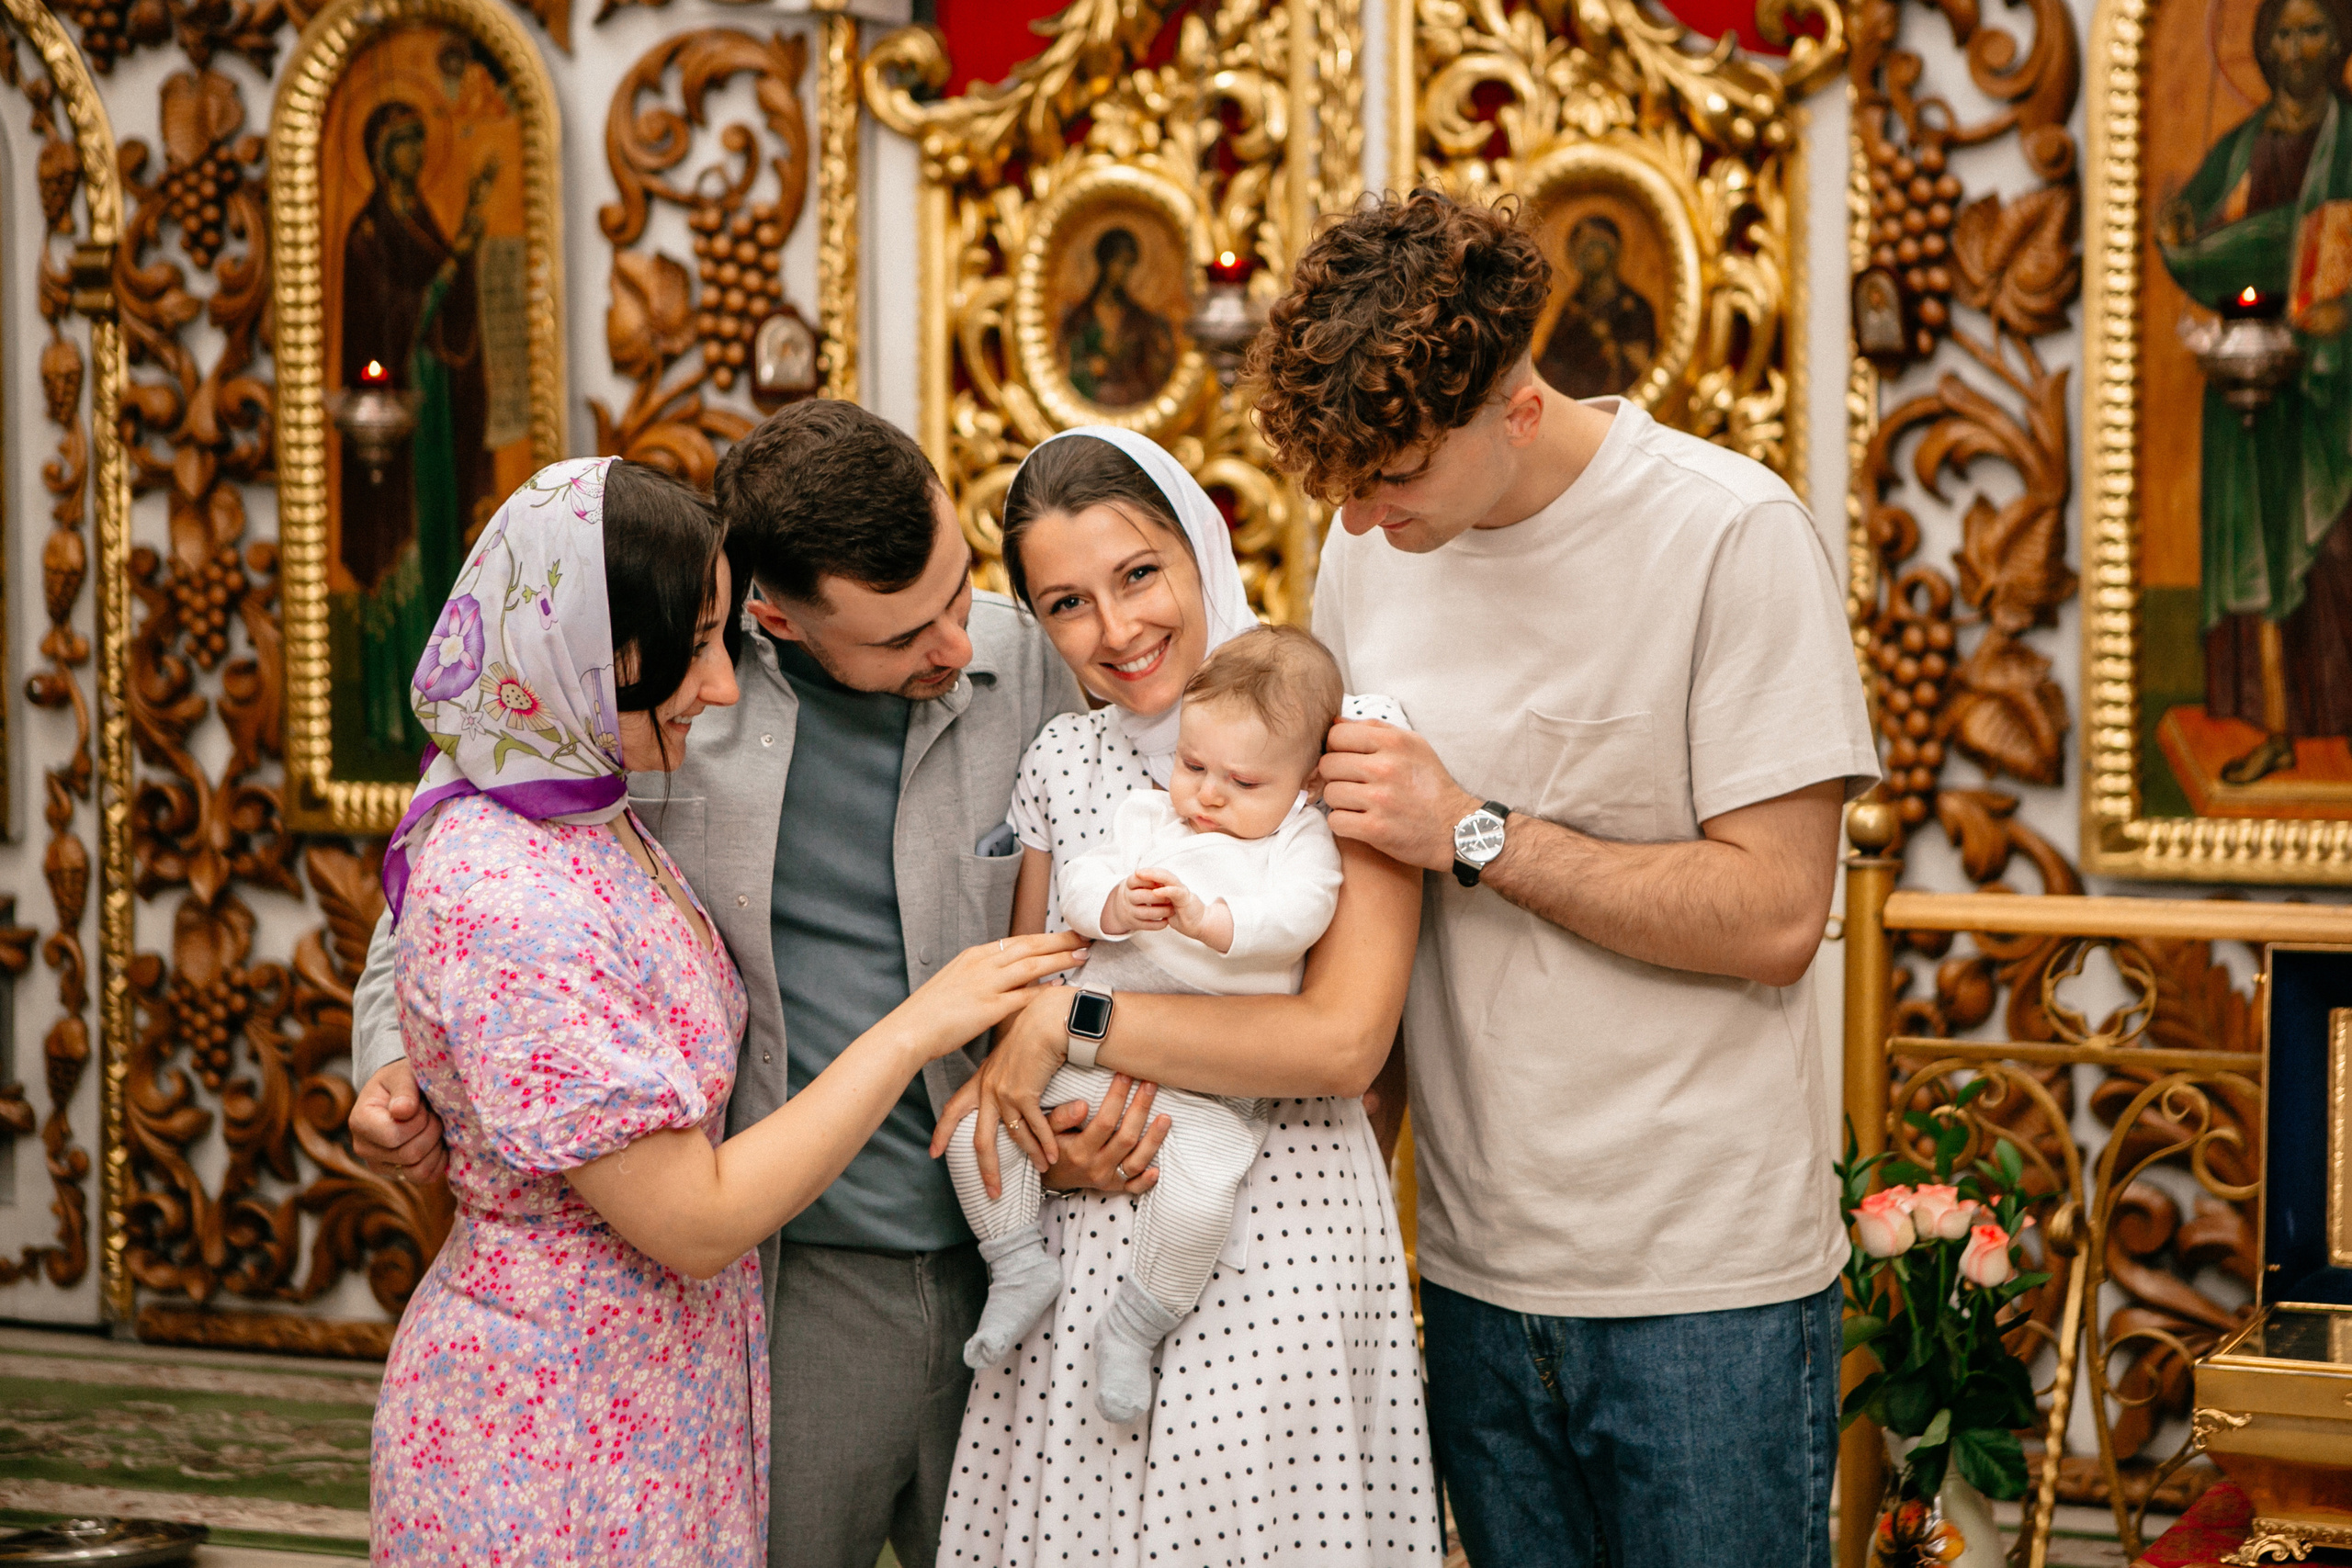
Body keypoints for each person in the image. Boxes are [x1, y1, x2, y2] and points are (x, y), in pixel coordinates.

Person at [348, 401, 1156, 1568]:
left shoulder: (1033, 660)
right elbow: (440, 886)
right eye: (900, 636)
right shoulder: (656, 696)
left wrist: (1084, 1100)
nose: (953, 645)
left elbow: (1152, 878)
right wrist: (392, 1063)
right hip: (781, 1292)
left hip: (1026, 1253)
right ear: (771, 614)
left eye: (956, 590)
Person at [1246, 188, 1878, 1567]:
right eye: (1341, 481)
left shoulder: (1729, 533)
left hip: (1705, 1285)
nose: (1359, 512)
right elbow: (1377, 905)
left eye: (1395, 471)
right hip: (1472, 1267)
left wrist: (1476, 829)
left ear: (1516, 408)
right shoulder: (1370, 550)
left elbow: (1777, 914)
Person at [931, 424, 1442, 1564]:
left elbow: (1340, 1043)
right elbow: (1029, 991)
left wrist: (1081, 1026)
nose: (1114, 631)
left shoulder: (1343, 738)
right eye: (1064, 604)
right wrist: (1052, 1137)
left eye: (1137, 575)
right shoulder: (1063, 759)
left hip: (1282, 1224)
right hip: (1087, 1228)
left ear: (1199, 542)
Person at [945, 625, 1347, 1423]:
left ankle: (1136, 1326)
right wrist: (1116, 904)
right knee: (977, 1131)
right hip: (1088, 1065)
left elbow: (1307, 912)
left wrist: (1215, 920)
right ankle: (1017, 1260)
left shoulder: (1301, 841)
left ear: (1301, 787)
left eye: (1243, 781)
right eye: (1193, 766)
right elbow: (1081, 880)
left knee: (1198, 1202)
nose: (1208, 794)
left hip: (1208, 1078)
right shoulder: (1149, 817)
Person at [2156, 0, 2352, 782]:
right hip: (2260, 384)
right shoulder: (2241, 146)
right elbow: (2194, 230)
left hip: (2339, 395)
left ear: (2340, 41)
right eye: (2281, 33)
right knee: (2269, 551)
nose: (2296, 48)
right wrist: (2182, 238)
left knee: (2336, 553)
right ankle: (2279, 726)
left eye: (2314, 30)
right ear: (2260, 48)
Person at [340, 100, 497, 761]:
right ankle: (392, 719)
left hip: (437, 412)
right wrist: (457, 255)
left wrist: (461, 247)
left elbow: (452, 306)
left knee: (439, 551)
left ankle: (441, 715)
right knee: (402, 551)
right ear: (379, 153)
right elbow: (388, 316)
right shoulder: (368, 233)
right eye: (401, 141)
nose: (413, 153)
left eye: (416, 140)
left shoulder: (418, 220)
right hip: (398, 426)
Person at [1534, 214, 1657, 400]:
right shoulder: (1573, 308)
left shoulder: (1634, 308)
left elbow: (1642, 365)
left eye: (1592, 248)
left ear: (1610, 252)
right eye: (1579, 250)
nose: (1585, 256)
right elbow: (1552, 362)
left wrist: (1609, 347)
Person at [1059, 226, 1179, 406]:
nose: (1124, 271)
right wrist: (1091, 368)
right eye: (1120, 262)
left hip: (1132, 405)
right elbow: (1065, 366)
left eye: (1129, 264)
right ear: (1105, 262)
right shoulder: (1080, 316)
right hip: (1088, 406)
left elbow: (1156, 371)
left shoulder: (1141, 319)